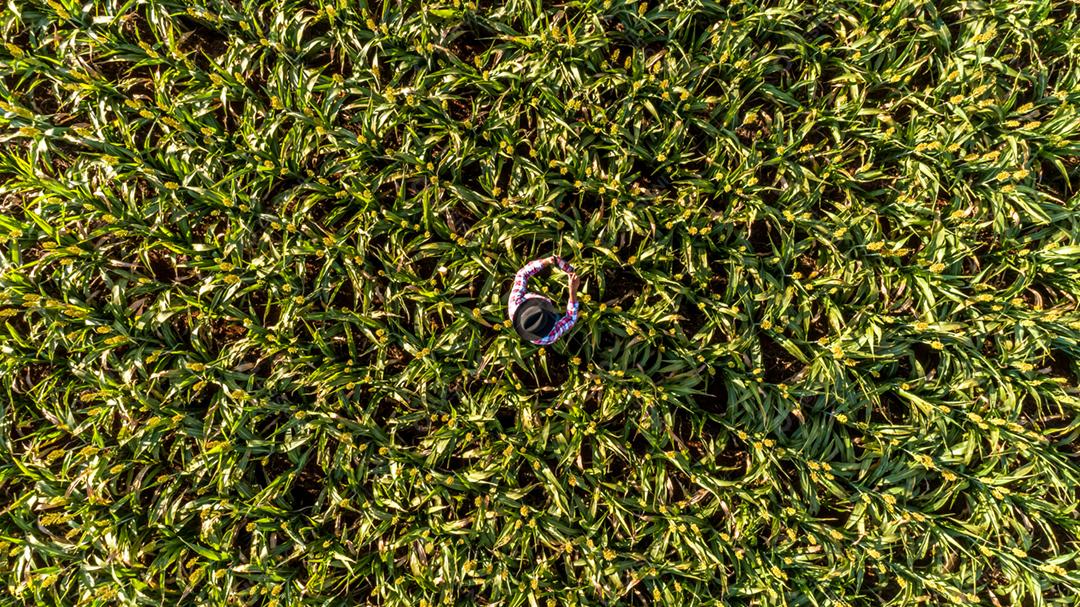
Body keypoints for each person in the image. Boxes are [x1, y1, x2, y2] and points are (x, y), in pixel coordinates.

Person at [508, 255, 580, 345]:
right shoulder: (549, 337)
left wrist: (545, 261)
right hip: (550, 321)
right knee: (558, 318)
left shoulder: (515, 304)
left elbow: (522, 274)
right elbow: (570, 319)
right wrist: (573, 292)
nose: (546, 301)